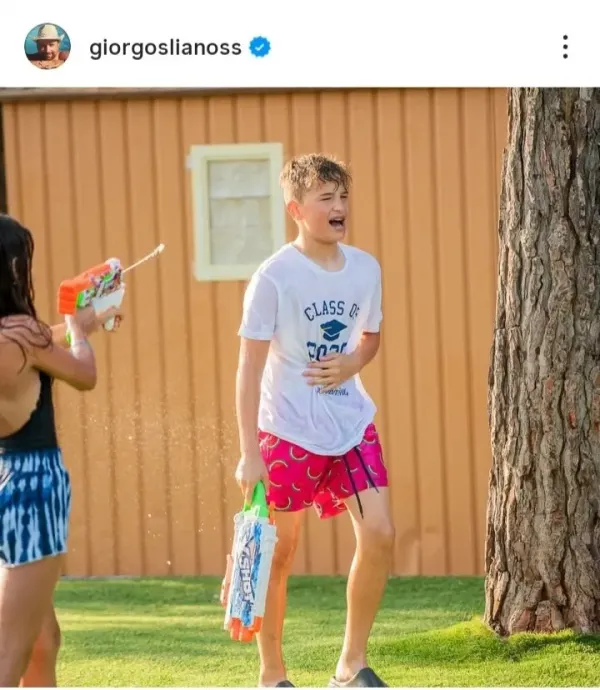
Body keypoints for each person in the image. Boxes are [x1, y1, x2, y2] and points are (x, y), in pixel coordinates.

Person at [234, 154, 394, 688]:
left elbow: (370, 337)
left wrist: (353, 363)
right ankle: (272, 674)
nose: (339, 206)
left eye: (343, 196)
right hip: (287, 430)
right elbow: (248, 366)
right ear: (296, 210)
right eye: (326, 198)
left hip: (351, 423)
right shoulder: (274, 277)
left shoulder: (366, 268)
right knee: (279, 554)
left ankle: (351, 664)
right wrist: (249, 452)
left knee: (380, 532)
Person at [0, 214, 122, 687]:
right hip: (33, 488)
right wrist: (80, 329)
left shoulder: (14, 337)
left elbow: (30, 350)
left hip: (5, 477)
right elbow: (83, 374)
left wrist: (79, 323)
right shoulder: (22, 332)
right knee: (11, 652)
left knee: (42, 639)